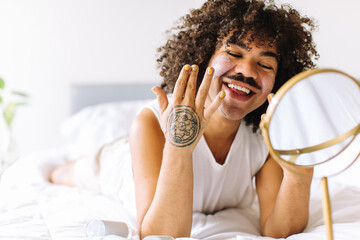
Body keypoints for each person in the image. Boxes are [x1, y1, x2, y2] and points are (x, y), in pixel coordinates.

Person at [51, 0, 319, 239]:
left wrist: (301, 176)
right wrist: (179, 147)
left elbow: (277, 231)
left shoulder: (267, 136)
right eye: (234, 54)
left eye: (265, 65)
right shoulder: (151, 123)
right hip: (114, 165)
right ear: (204, 59)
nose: (247, 71)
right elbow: (162, 234)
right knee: (63, 172)